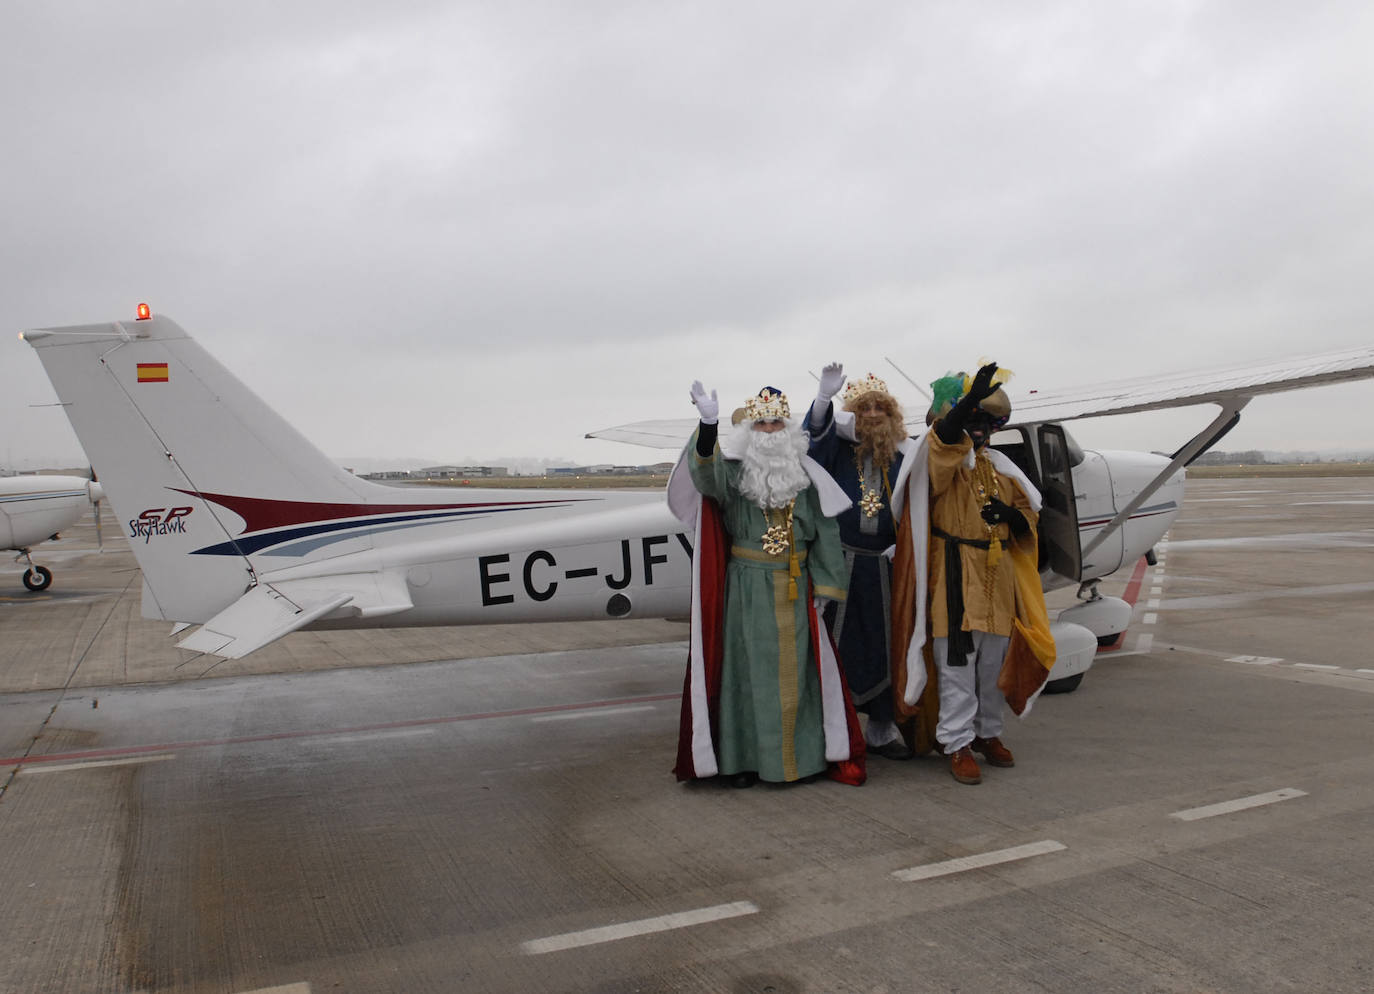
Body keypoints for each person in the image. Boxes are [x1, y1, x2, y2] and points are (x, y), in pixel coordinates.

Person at [667, 381, 865, 787]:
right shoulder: (734, 476)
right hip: (746, 590)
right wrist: (708, 425)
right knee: (745, 677)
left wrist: (827, 589)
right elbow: (705, 475)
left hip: (795, 588)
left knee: (799, 680)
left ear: (788, 429)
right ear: (750, 432)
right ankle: (744, 762)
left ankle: (800, 760)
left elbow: (825, 533)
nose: (770, 432)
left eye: (777, 424)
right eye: (762, 425)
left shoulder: (805, 479)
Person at [888, 362, 1056, 785]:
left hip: (997, 577)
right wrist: (964, 404)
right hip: (954, 576)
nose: (976, 430)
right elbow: (945, 440)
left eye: (984, 422)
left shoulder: (1002, 469)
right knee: (956, 665)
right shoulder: (936, 462)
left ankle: (987, 733)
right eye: (970, 421)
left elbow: (1028, 516)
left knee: (992, 664)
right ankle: (957, 741)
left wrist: (1013, 520)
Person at [805, 364, 920, 759]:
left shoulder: (906, 455)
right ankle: (833, 732)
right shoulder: (836, 450)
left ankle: (881, 730)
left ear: (891, 415)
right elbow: (812, 443)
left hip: (886, 569)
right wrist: (823, 402)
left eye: (880, 408)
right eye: (864, 408)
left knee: (887, 644)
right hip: (839, 563)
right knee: (837, 646)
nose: (872, 414)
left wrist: (904, 544)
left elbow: (921, 507)